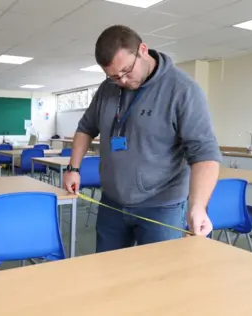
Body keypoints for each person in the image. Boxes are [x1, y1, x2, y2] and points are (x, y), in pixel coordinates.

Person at [64, 25, 222, 252]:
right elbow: (85, 128)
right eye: (113, 76)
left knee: (159, 280)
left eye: (127, 71)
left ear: (143, 50)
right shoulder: (108, 88)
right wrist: (73, 168)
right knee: (108, 274)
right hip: (112, 202)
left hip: (162, 207)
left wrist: (198, 206)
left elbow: (205, 153)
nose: (123, 81)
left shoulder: (182, 90)